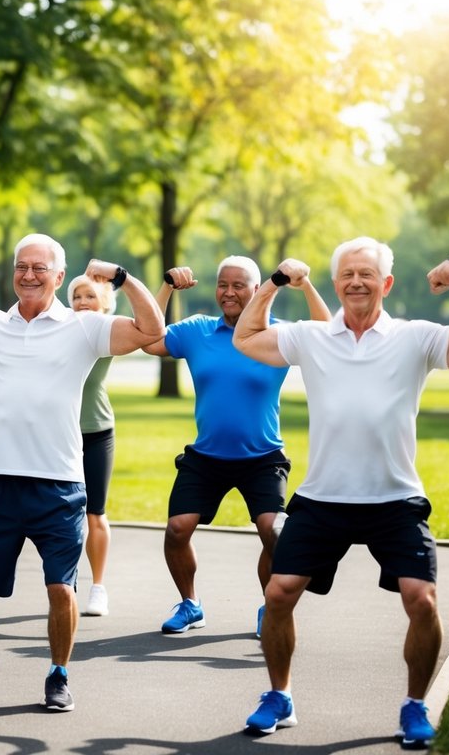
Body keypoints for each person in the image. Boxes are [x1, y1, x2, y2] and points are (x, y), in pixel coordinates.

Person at [231, 238, 449, 749]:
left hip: (394, 499)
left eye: (367, 273)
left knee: (421, 600)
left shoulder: (414, 338)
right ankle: (279, 696)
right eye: (347, 274)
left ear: (386, 283)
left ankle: (414, 705)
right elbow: (246, 337)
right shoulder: (311, 337)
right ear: (335, 284)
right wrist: (272, 282)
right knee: (278, 594)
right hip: (323, 498)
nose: (356, 281)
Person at [0, 235, 163, 712]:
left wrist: (121, 278)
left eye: (39, 268)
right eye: (21, 266)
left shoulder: (83, 328)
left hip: (59, 484)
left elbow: (151, 328)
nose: (28, 275)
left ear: (59, 277)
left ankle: (58, 673)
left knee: (61, 589)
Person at [143, 257, 330, 637]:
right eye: (222, 285)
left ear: (258, 289)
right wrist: (165, 287)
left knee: (273, 532)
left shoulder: (278, 335)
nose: (228, 293)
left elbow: (328, 334)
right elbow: (147, 339)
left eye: (239, 285)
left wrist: (305, 284)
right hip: (206, 456)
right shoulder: (197, 330)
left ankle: (271, 607)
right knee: (177, 529)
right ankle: (190, 604)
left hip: (262, 457)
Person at [66, 274, 120, 617]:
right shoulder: (58, 331)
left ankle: (97, 587)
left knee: (94, 512)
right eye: (76, 297)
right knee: (63, 511)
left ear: (104, 304)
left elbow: (150, 324)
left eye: (89, 296)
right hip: (61, 432)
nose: (82, 302)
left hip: (98, 431)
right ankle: (65, 584)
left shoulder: (106, 331)